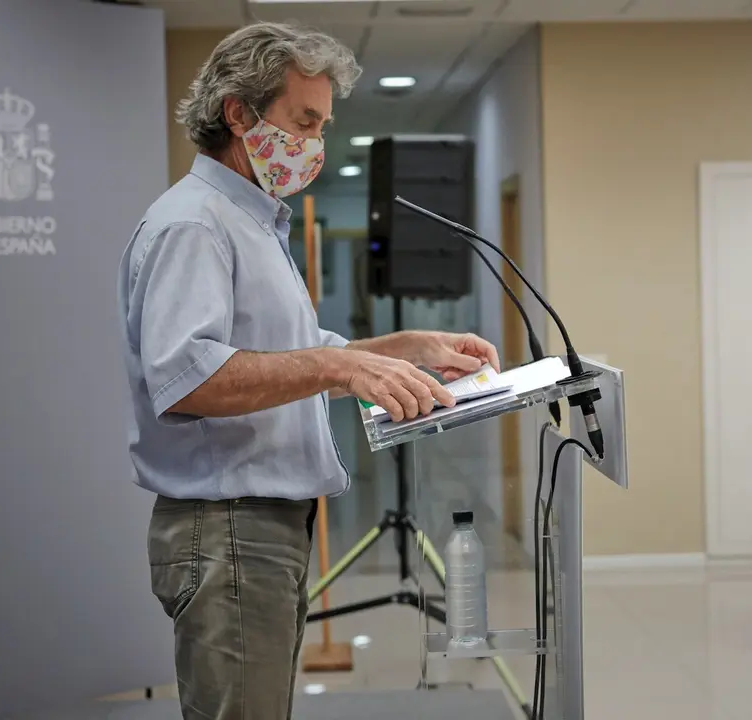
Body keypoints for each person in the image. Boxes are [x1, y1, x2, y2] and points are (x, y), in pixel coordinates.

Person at [116, 23, 499, 720]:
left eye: (323, 125)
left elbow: (288, 351)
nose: (316, 146)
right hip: (228, 526)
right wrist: (334, 366)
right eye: (305, 122)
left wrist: (408, 346)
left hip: (260, 527)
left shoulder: (251, 222)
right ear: (239, 113)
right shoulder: (194, 225)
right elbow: (189, 379)